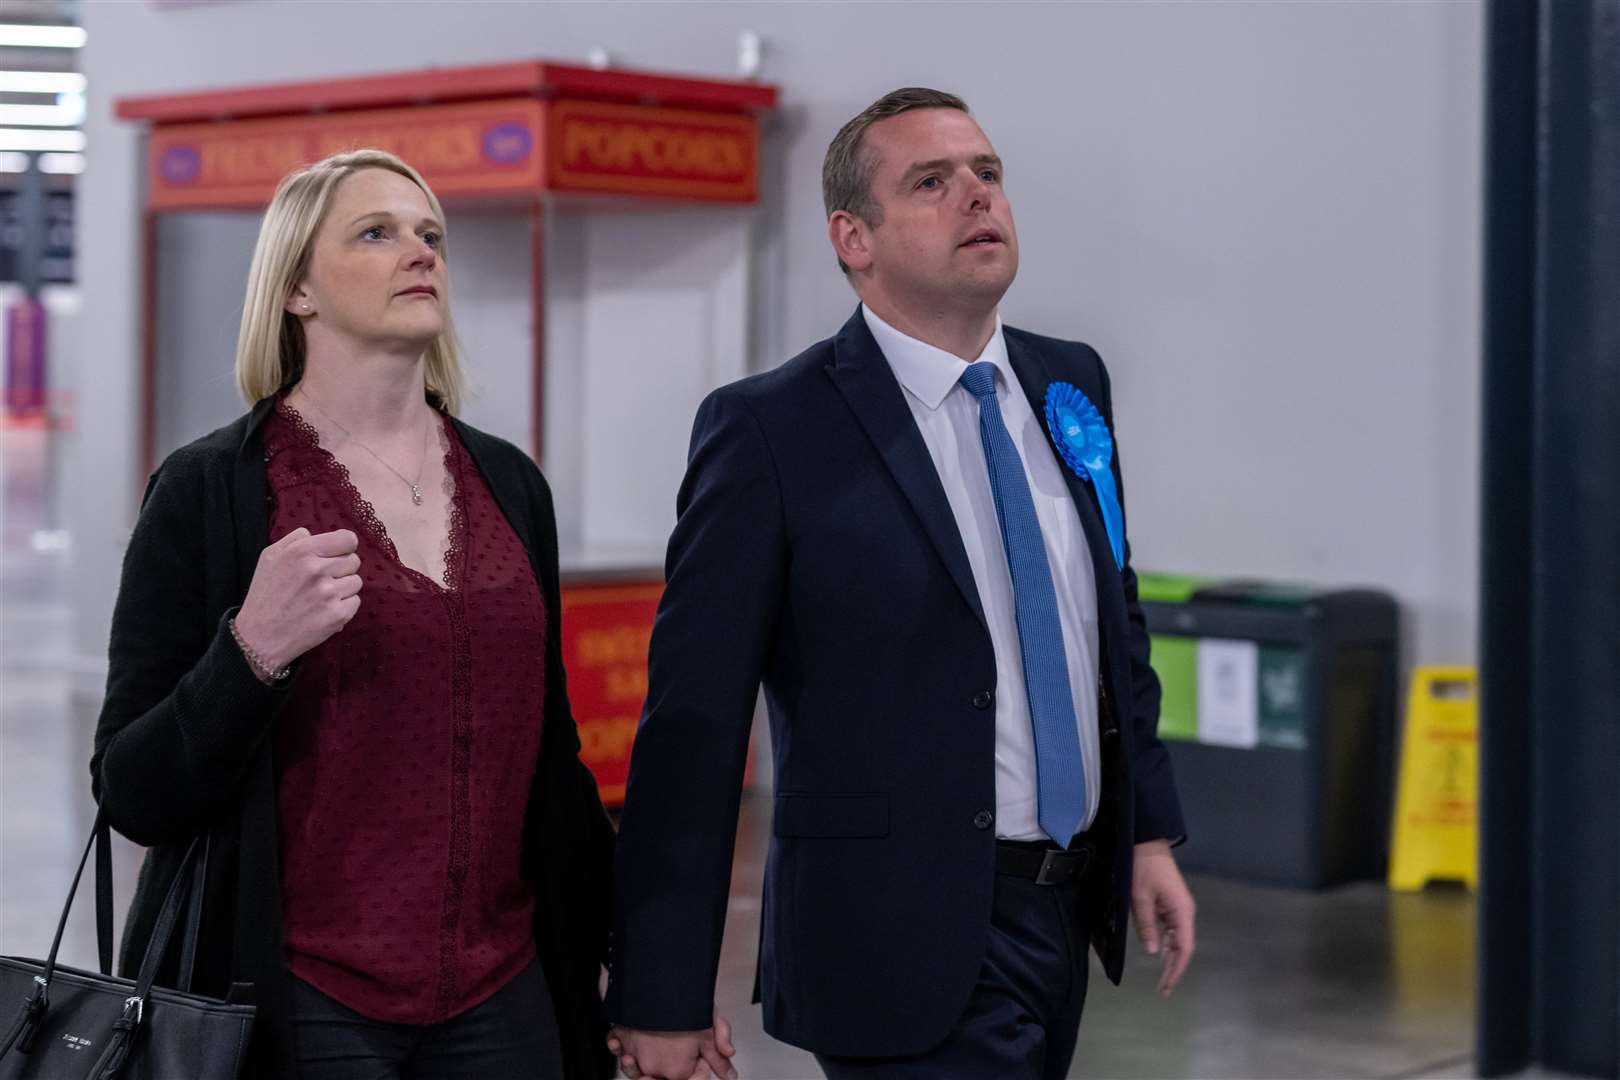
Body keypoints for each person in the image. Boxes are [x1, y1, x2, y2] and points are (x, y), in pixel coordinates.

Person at [606, 88, 1196, 1080]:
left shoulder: (1069, 384)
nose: (977, 197)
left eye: (989, 174)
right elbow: (694, 726)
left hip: (1060, 913)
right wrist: (660, 988)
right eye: (932, 182)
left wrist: (1147, 834)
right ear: (853, 238)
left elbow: (1111, 624)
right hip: (892, 934)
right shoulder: (770, 431)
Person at [91, 149, 615, 1080]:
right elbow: (133, 791)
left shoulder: (510, 484)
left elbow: (555, 762)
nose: (419, 252)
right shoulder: (214, 489)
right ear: (297, 289)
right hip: (303, 1002)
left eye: (430, 236)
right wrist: (249, 653)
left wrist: (636, 964)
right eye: (377, 233)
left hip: (506, 994)